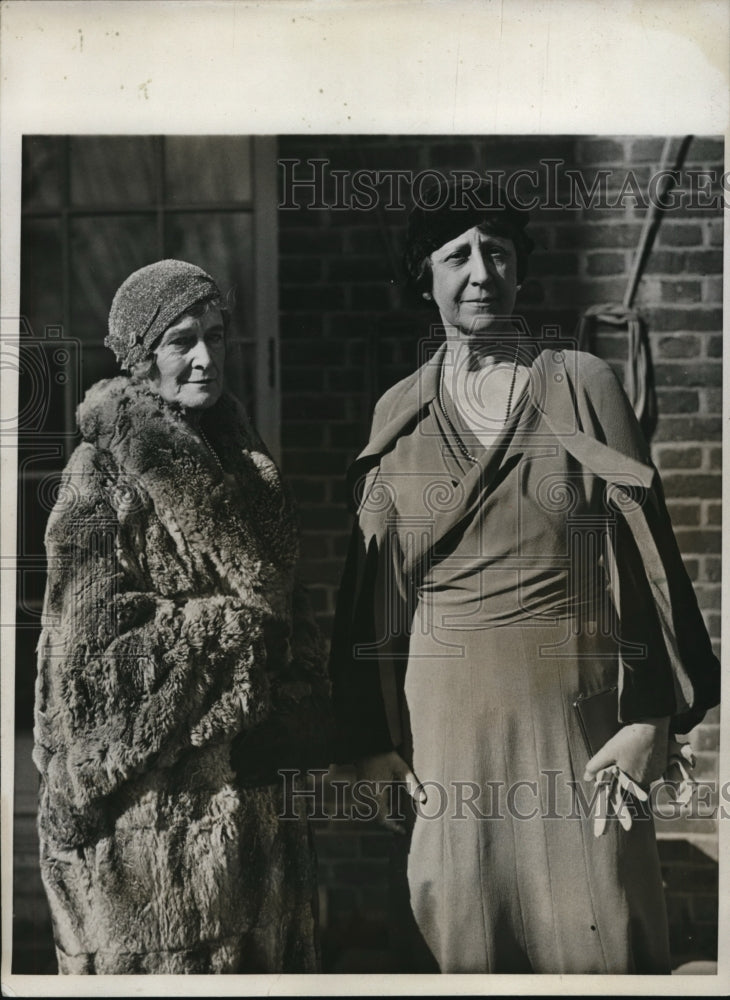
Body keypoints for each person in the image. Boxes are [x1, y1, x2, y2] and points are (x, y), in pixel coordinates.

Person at [329, 178, 720, 974]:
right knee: (468, 938)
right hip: (446, 737)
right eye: (457, 255)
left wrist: (650, 720)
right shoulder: (398, 413)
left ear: (520, 269)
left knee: (600, 935)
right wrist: (370, 745)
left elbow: (648, 560)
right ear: (425, 277)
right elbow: (365, 598)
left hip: (576, 726)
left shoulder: (581, 383)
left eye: (497, 251)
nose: (480, 271)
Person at [33, 259, 332, 974]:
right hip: (151, 853)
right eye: (182, 340)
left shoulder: (252, 473)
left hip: (261, 835)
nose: (205, 358)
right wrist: (238, 635)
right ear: (140, 359)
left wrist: (293, 707)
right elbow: (93, 680)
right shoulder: (97, 480)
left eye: (217, 336)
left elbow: (301, 631)